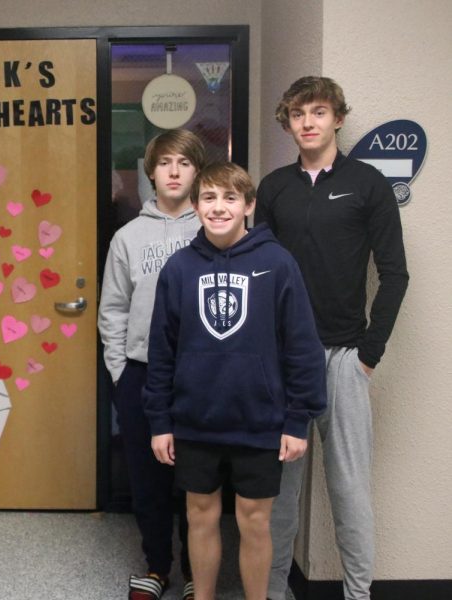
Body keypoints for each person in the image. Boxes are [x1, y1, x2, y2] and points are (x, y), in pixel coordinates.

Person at [144, 162, 327, 600]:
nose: (219, 207)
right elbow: (161, 351)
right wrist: (160, 421)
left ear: (249, 205)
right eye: (209, 198)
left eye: (230, 198)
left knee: (255, 521)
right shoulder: (179, 268)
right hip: (194, 420)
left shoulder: (278, 263)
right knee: (200, 515)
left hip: (260, 420)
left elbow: (301, 345)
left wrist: (297, 419)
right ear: (195, 206)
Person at [258, 77, 409, 600]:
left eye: (318, 112)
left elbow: (395, 274)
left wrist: (369, 354)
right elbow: (259, 272)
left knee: (349, 491)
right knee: (280, 495)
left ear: (337, 119)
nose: (308, 122)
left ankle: (357, 593)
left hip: (345, 356)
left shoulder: (367, 183)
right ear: (288, 123)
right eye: (298, 114)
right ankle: (275, 591)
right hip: (283, 363)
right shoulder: (274, 188)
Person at [99, 128, 205, 600]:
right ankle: (158, 567)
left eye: (184, 162)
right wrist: (121, 373)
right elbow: (113, 311)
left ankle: (195, 572)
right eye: (165, 163)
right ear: (151, 172)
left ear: (197, 171)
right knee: (149, 479)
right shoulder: (128, 237)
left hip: (202, 376)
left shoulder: (213, 227)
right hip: (141, 374)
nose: (175, 171)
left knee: (198, 480)